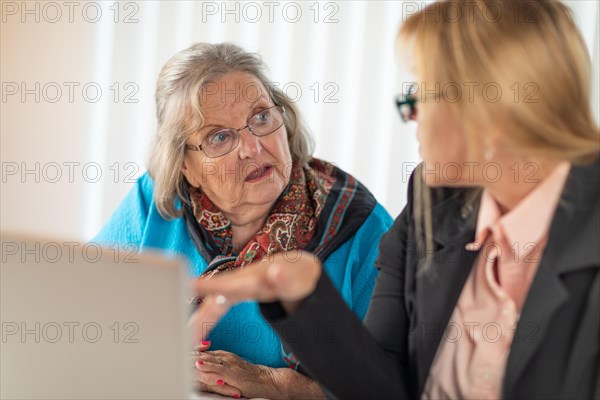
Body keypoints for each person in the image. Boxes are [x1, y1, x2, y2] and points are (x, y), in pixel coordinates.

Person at [191, 1, 600, 399]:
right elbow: (383, 386)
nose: (410, 113)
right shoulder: (432, 202)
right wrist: (304, 297)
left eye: (423, 94)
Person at [93, 42, 392, 398]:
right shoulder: (157, 200)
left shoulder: (360, 225)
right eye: (219, 137)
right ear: (186, 166)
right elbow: (84, 314)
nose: (253, 147)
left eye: (261, 117)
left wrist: (276, 383)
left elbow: (388, 385)